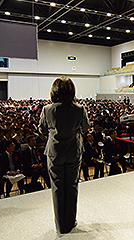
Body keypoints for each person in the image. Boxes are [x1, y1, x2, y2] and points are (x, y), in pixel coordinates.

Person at [39, 76, 89, 234]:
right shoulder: (79, 109)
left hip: (55, 152)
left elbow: (42, 129)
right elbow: (86, 127)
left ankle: (61, 226)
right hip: (74, 150)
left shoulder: (47, 109)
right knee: (72, 186)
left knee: (57, 188)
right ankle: (71, 221)